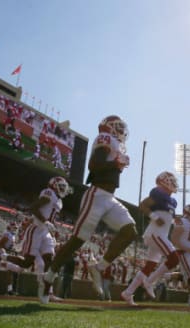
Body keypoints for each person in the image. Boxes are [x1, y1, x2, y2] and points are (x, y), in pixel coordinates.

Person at [41, 115, 137, 300]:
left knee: (130, 231)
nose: (122, 130)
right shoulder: (106, 138)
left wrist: (117, 164)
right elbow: (94, 165)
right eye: (118, 126)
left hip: (109, 197)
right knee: (77, 241)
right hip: (96, 194)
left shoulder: (116, 143)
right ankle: (48, 277)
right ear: (109, 126)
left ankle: (98, 267)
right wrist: (116, 163)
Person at [120, 171, 178, 306]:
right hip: (156, 234)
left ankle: (128, 293)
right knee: (174, 259)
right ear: (165, 181)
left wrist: (176, 221)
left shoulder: (173, 201)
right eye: (172, 180)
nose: (174, 183)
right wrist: (155, 217)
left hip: (160, 234)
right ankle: (150, 281)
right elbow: (143, 206)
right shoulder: (158, 192)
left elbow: (168, 218)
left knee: (149, 266)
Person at [24, 176, 71, 304]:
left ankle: (48, 292)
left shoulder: (57, 199)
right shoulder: (48, 193)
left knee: (50, 260)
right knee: (28, 262)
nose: (63, 189)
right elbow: (33, 208)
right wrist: (45, 221)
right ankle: (2, 259)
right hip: (37, 228)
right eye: (61, 186)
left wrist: (51, 228)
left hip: (45, 231)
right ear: (54, 185)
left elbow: (50, 214)